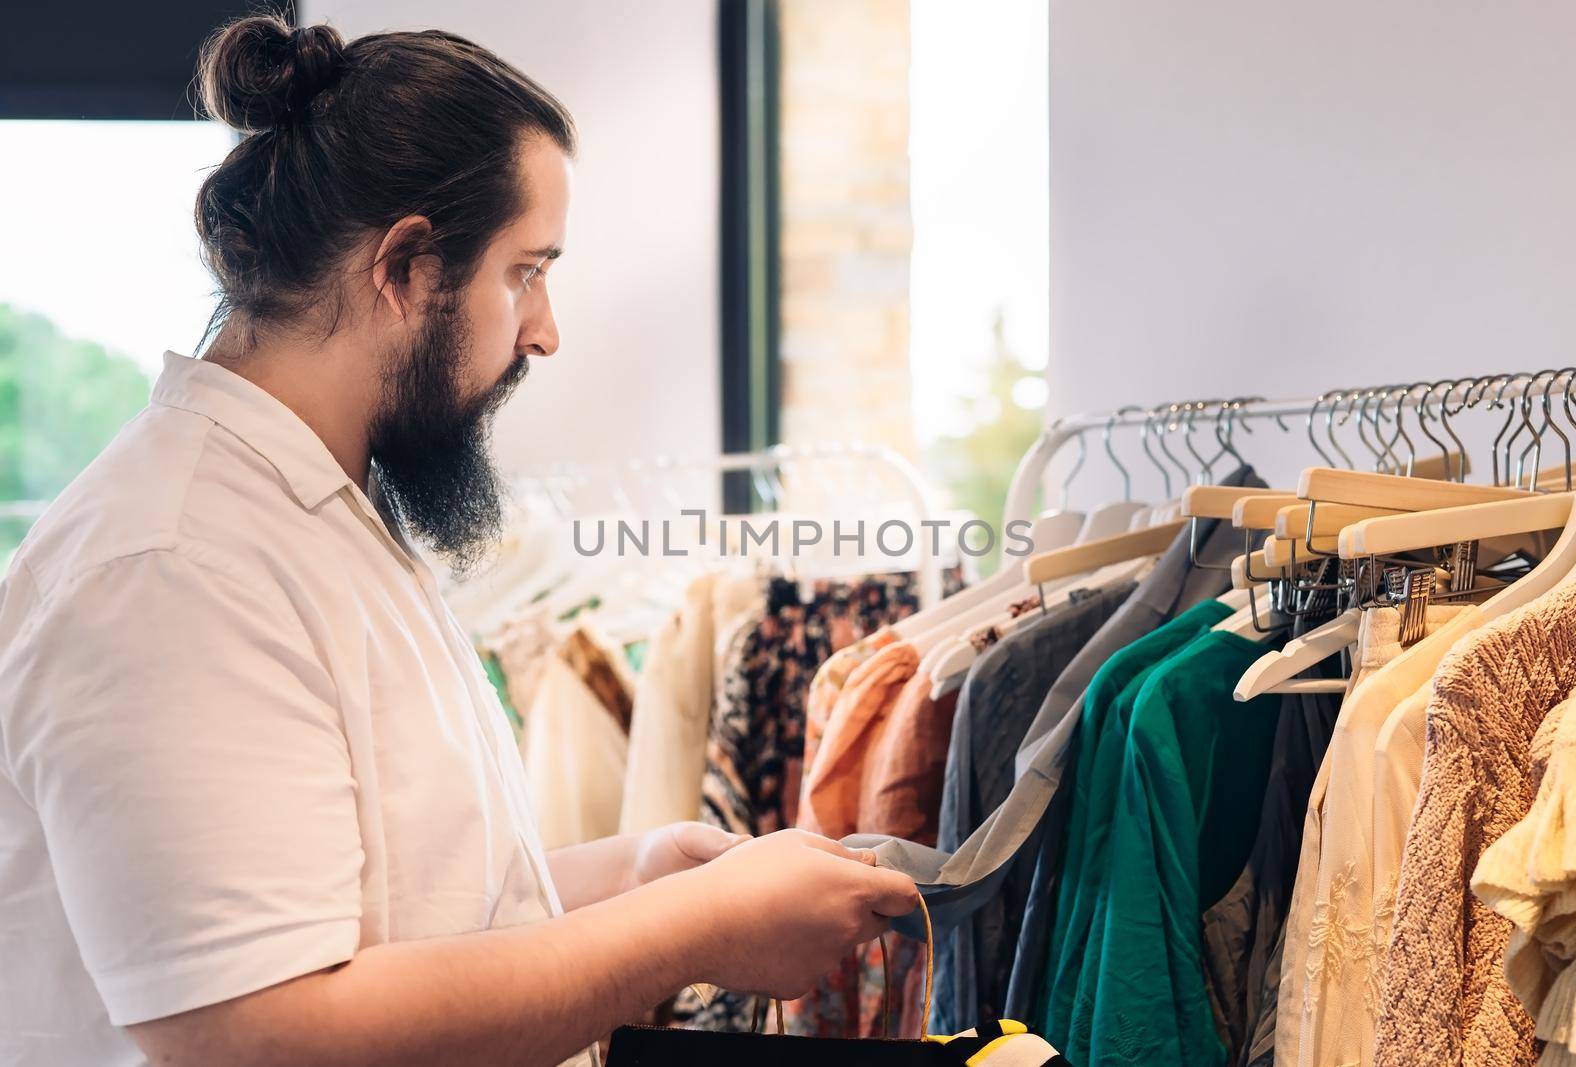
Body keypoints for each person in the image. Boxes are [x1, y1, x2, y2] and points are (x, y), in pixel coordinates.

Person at [0, 13, 919, 1067]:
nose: (544, 329)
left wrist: (640, 872)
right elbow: (262, 1031)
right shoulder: (171, 569)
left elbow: (380, 917)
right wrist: (691, 933)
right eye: (525, 271)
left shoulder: (313, 513)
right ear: (404, 265)